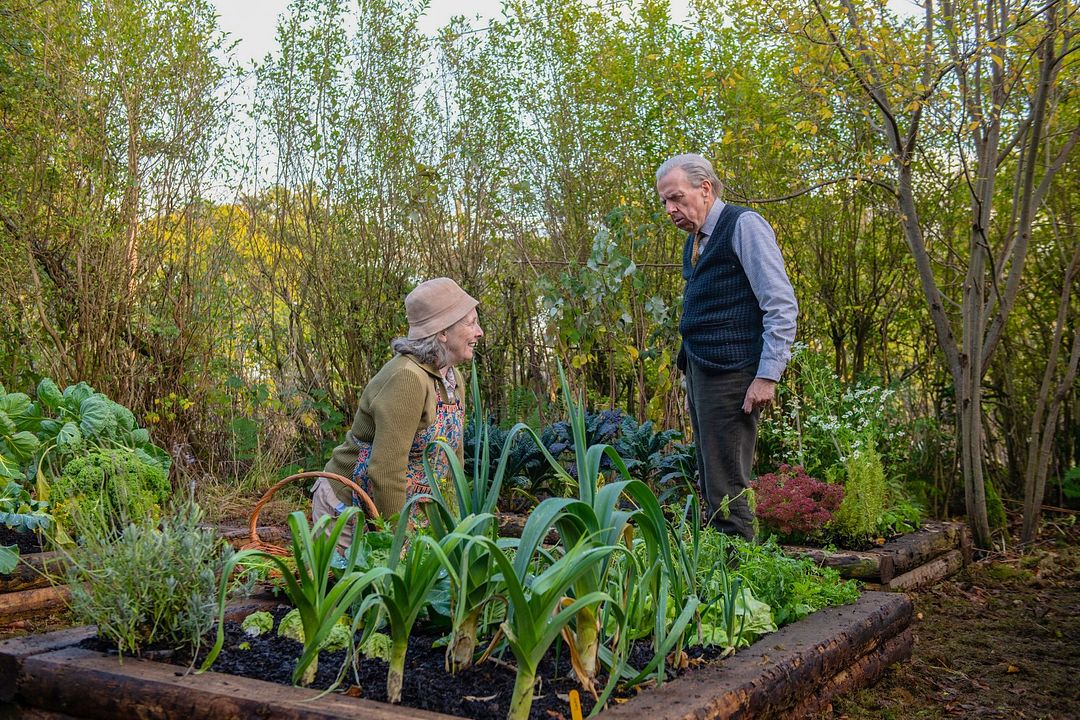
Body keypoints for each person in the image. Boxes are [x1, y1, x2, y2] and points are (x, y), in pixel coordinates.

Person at [655, 154, 797, 541]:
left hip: (733, 371)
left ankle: (738, 579)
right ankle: (721, 567)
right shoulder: (696, 240)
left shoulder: (743, 225)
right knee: (711, 474)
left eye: (677, 198)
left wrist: (767, 375)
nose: (670, 209)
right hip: (702, 368)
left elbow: (780, 303)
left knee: (728, 481)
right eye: (665, 202)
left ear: (705, 188)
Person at [311, 277, 484, 551]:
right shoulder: (407, 378)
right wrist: (397, 543)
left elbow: (452, 460)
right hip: (350, 510)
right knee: (354, 592)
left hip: (403, 511)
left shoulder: (452, 378)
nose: (479, 332)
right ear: (442, 332)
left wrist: (450, 523)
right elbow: (386, 470)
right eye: (470, 323)